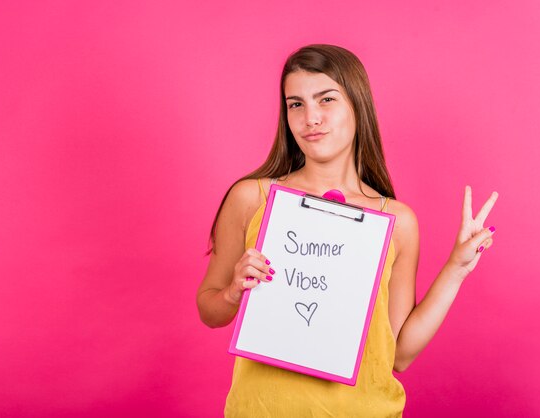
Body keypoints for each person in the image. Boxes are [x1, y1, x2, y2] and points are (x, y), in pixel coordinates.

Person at [196, 44, 498, 417]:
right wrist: (232, 293)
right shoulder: (253, 198)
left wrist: (457, 268)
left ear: (357, 104)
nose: (311, 118)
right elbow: (209, 309)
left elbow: (399, 355)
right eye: (296, 104)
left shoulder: (396, 221)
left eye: (326, 100)